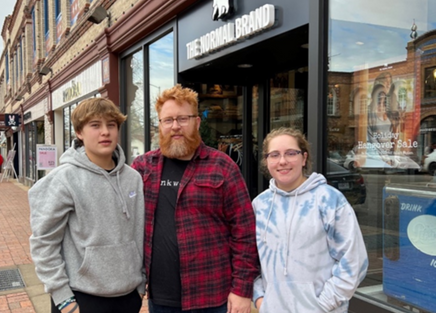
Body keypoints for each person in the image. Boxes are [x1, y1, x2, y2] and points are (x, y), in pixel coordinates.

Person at [131, 84, 259, 313]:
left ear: (197, 122)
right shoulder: (142, 168)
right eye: (168, 120)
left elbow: (245, 232)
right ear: (159, 125)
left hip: (212, 297)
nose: (175, 126)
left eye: (183, 118)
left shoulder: (223, 167)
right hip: (160, 298)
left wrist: (241, 289)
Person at [29, 98, 145, 313]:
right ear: (79, 133)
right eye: (95, 125)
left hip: (128, 296)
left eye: (111, 125)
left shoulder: (133, 178)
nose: (105, 132)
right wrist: (63, 298)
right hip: (80, 298)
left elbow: (138, 233)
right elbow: (43, 242)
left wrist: (140, 284)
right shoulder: (64, 179)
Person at [252, 127, 368, 313]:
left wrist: (321, 306)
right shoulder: (260, 205)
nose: (282, 161)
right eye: (274, 155)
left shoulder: (330, 200)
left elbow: (354, 262)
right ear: (267, 161)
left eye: (291, 153)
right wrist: (260, 299)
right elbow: (250, 261)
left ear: (304, 158)